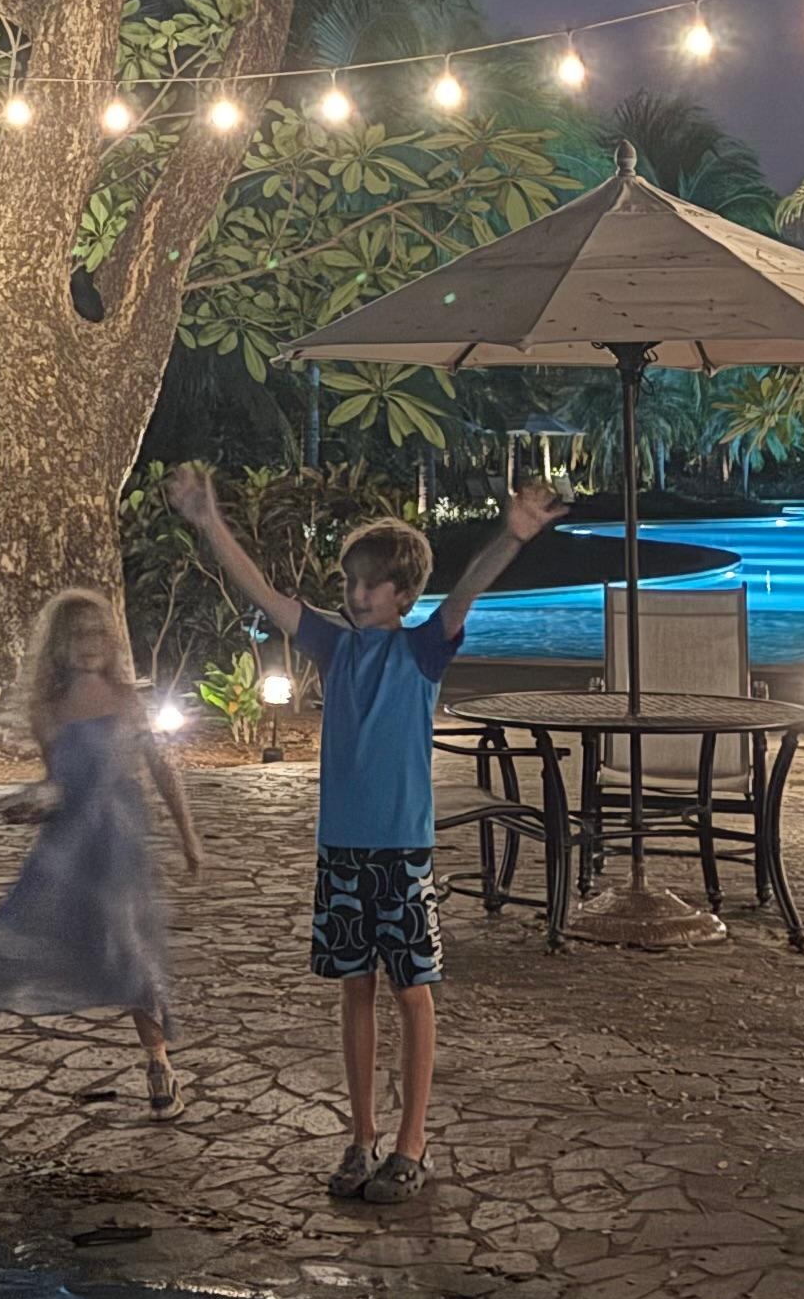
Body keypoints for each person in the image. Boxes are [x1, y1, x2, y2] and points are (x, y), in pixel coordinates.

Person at [167, 467, 565, 1203]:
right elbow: (263, 592)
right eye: (349, 582)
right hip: (342, 850)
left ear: (402, 595)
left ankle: (412, 1143)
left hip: (401, 852)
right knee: (356, 988)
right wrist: (208, 520)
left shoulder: (423, 649)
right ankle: (361, 1136)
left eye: (369, 585)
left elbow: (467, 590)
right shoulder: (334, 647)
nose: (354, 595)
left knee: (413, 992)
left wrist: (513, 535)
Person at [0, 587, 206, 1115]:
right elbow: (59, 780)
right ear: (60, 644)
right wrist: (32, 802)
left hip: (118, 847)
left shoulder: (126, 700)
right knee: (18, 932)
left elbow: (160, 768)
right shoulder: (49, 709)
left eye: (98, 633)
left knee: (129, 949)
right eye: (78, 635)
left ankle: (159, 1063)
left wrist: (187, 834)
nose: (89, 644)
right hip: (66, 845)